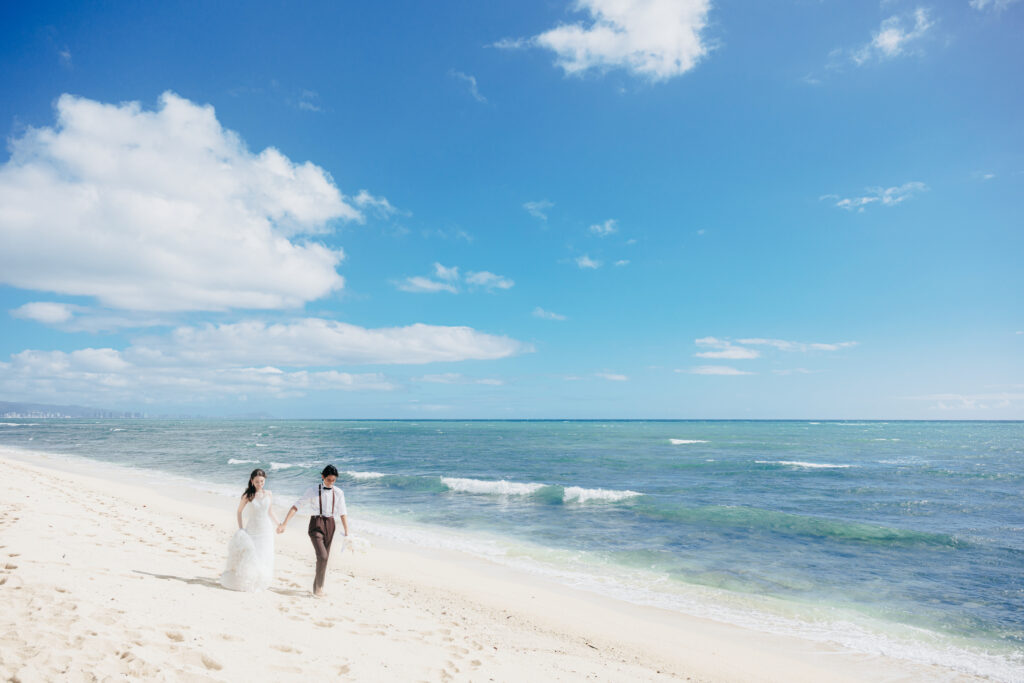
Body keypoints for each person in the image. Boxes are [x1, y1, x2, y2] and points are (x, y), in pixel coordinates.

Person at [277, 465, 349, 597]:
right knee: (323, 556)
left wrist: (347, 532)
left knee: (324, 559)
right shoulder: (313, 490)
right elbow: (296, 506)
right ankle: (319, 588)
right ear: (323, 477)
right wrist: (285, 523)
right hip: (316, 524)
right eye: (328, 480)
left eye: (334, 480)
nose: (331, 482)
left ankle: (317, 588)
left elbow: (343, 513)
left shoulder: (339, 492)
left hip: (331, 525)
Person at [220, 468, 280, 592]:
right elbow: (239, 511)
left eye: (262, 481)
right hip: (252, 528)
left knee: (265, 554)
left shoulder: (269, 493)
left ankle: (262, 579)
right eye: (257, 481)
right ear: (252, 481)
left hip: (266, 529)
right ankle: (249, 579)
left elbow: (270, 511)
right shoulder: (248, 495)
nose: (260, 484)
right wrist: (241, 528)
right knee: (252, 554)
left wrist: (279, 524)